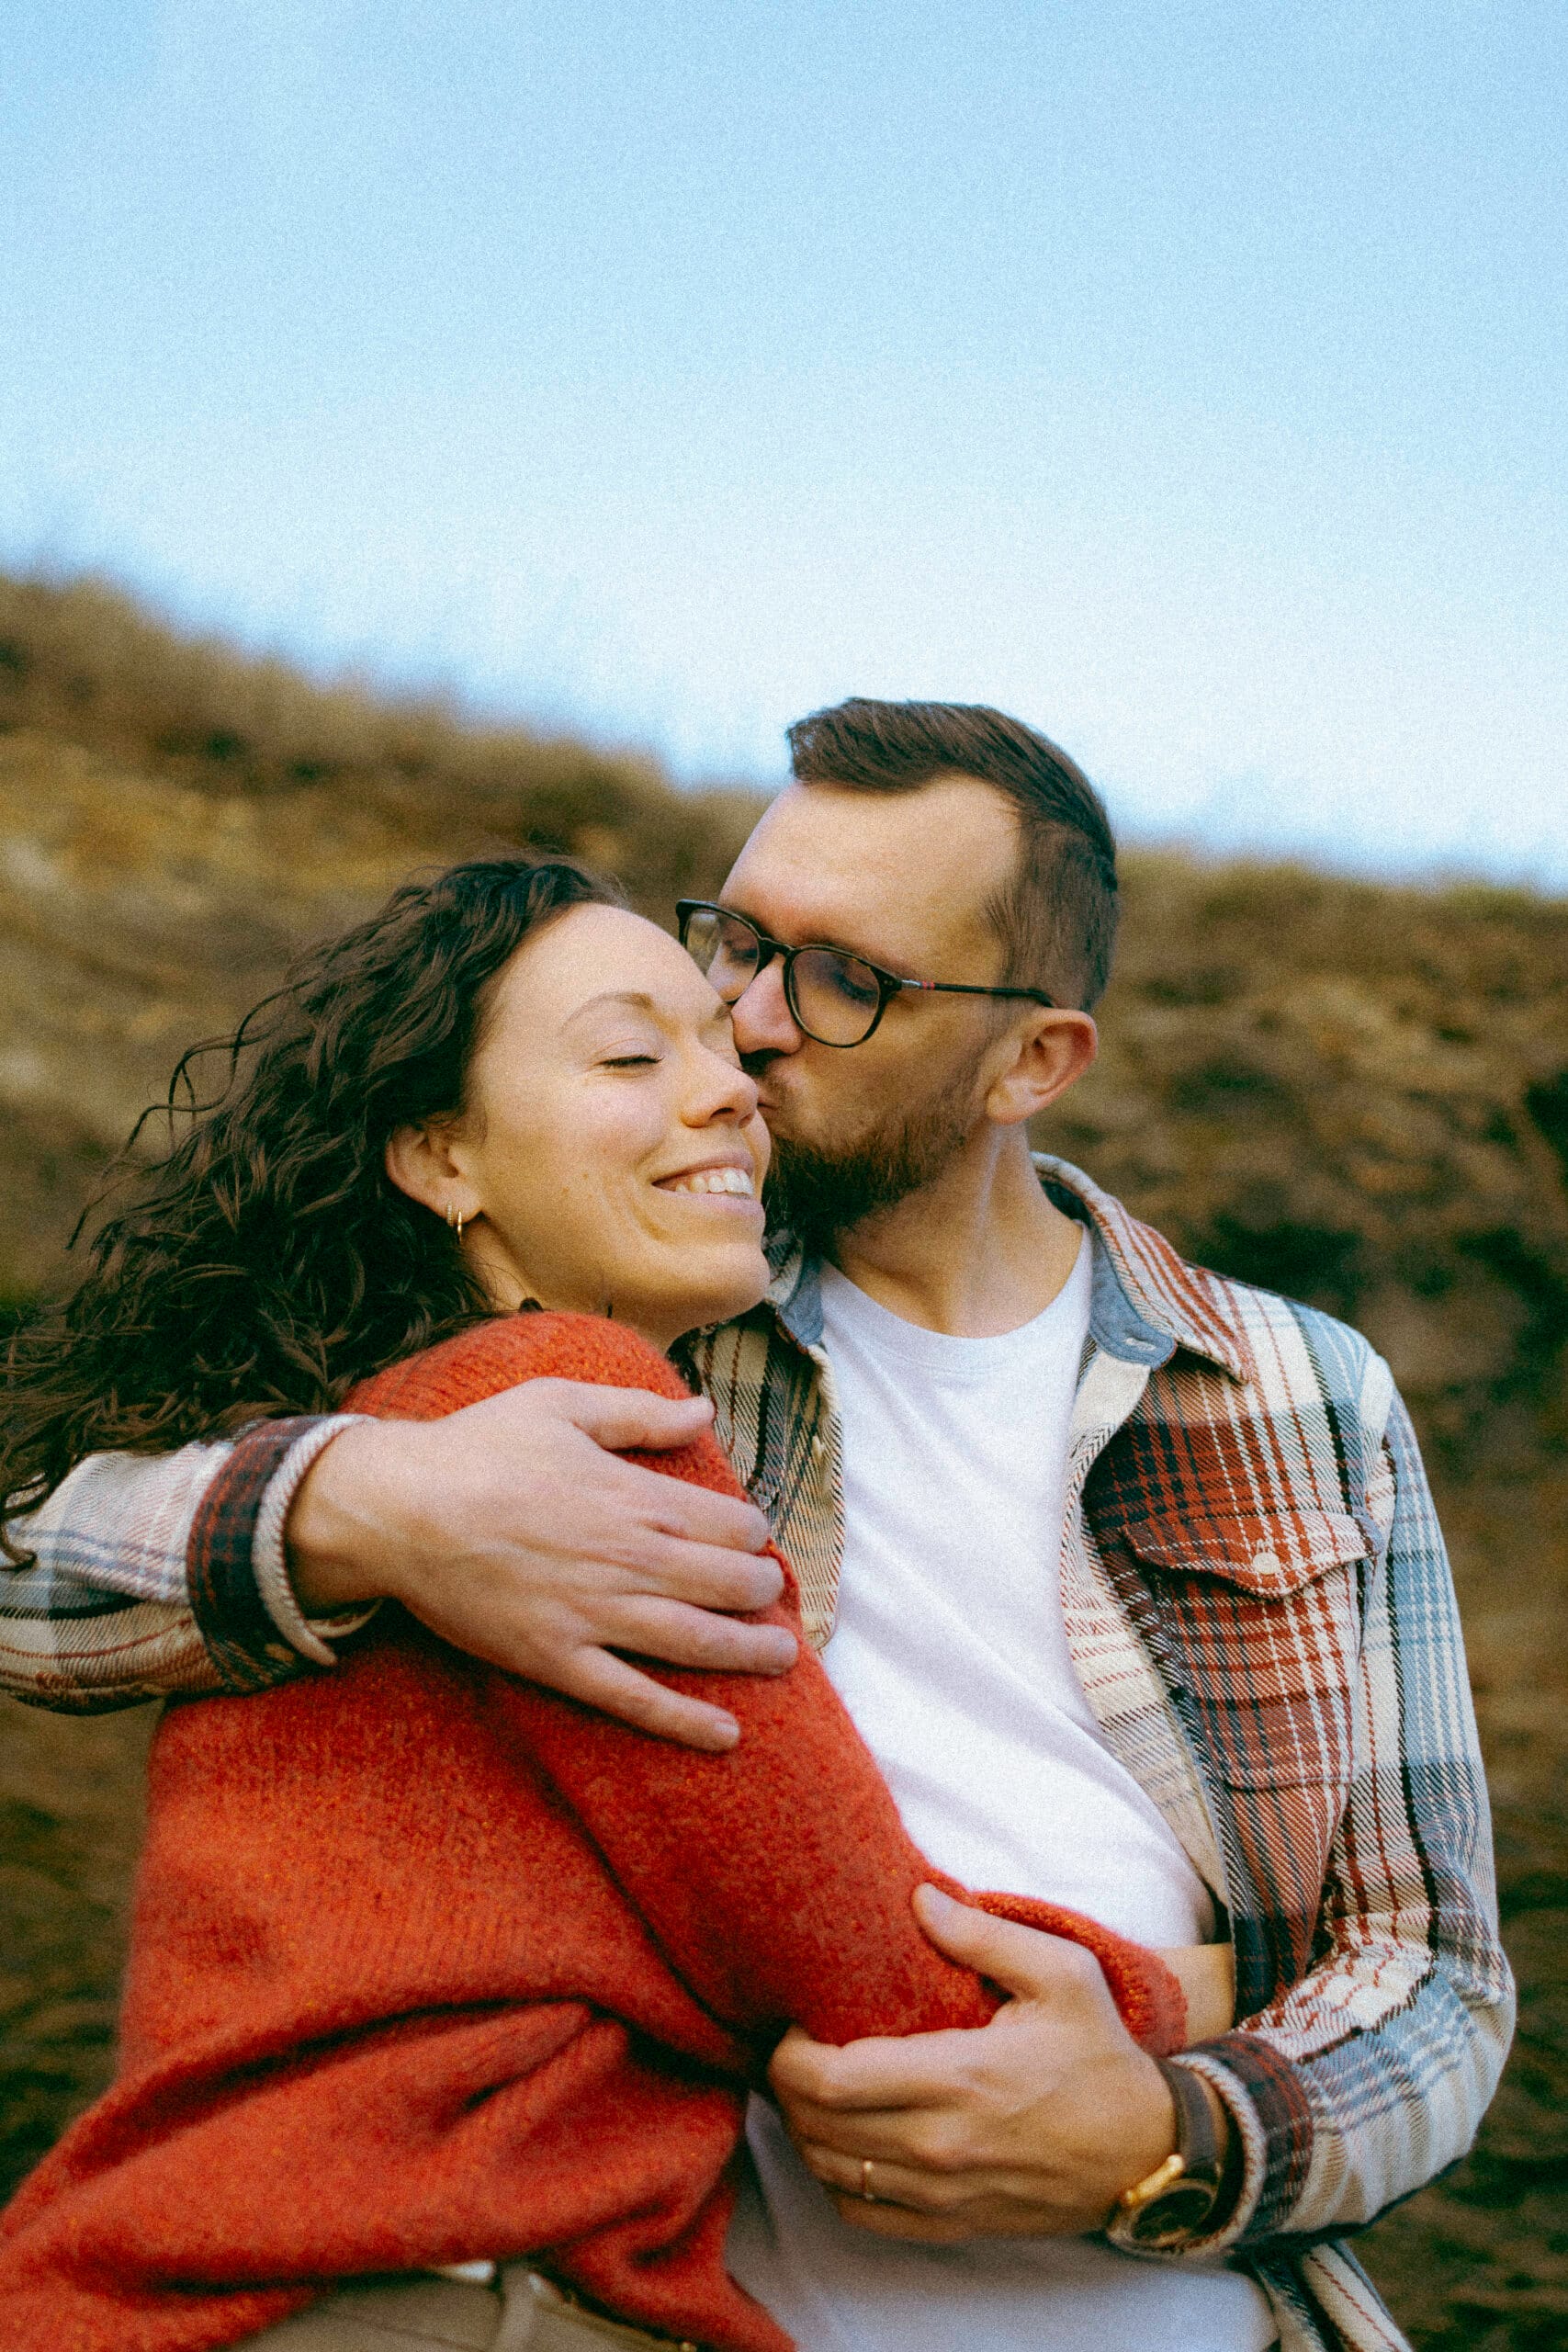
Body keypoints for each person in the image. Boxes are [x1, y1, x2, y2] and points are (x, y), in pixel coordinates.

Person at [4, 700, 1512, 2352]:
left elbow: (1431, 1973)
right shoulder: (636, 1292)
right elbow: (28, 1571)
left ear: (1034, 1062)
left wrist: (1170, 2134)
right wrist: (362, 1501)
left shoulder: (1294, 1392)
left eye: (847, 978)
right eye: (739, 941)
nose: (751, 1020)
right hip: (680, 2298)